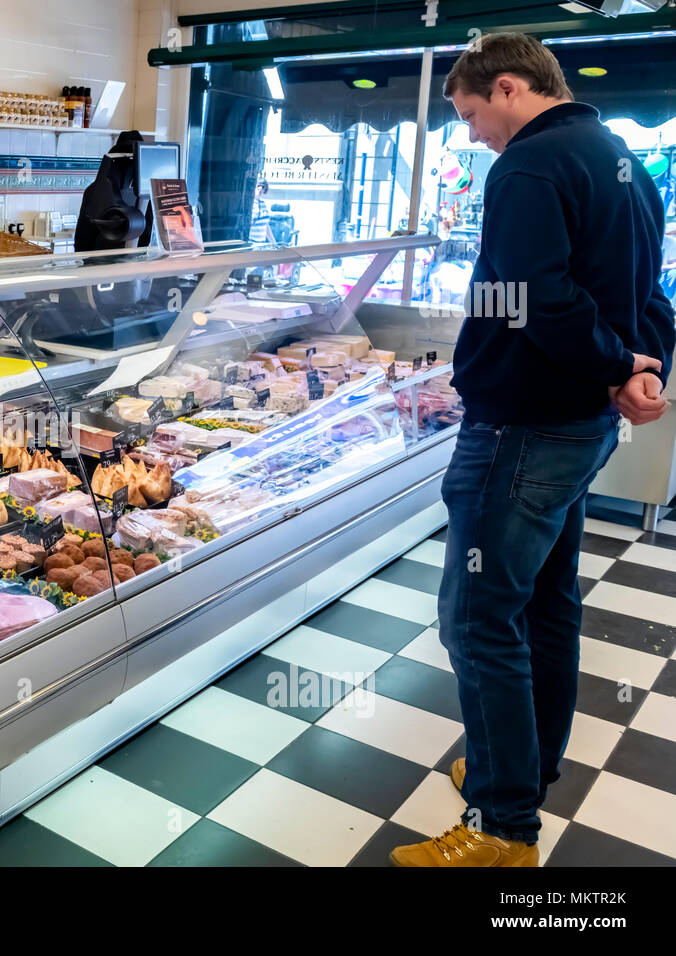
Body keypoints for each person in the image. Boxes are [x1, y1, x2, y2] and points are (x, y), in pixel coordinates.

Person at [390, 32, 674, 867]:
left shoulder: (526, 166)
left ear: (509, 88)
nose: (473, 135)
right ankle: (527, 764)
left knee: (477, 621)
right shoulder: (620, 157)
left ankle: (502, 828)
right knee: (546, 603)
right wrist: (636, 367)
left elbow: (534, 302)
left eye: (473, 115)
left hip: (521, 428)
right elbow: (648, 289)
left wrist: (617, 363)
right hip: (579, 426)